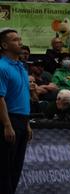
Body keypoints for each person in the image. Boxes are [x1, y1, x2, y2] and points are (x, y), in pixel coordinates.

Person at [0, 28, 31, 194]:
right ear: (4, 45)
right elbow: (0, 98)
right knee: (5, 168)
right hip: (8, 120)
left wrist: (27, 124)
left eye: (19, 39)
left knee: (16, 168)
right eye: (15, 40)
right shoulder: (1, 66)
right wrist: (6, 124)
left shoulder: (21, 67)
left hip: (21, 121)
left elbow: (23, 97)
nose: (20, 42)